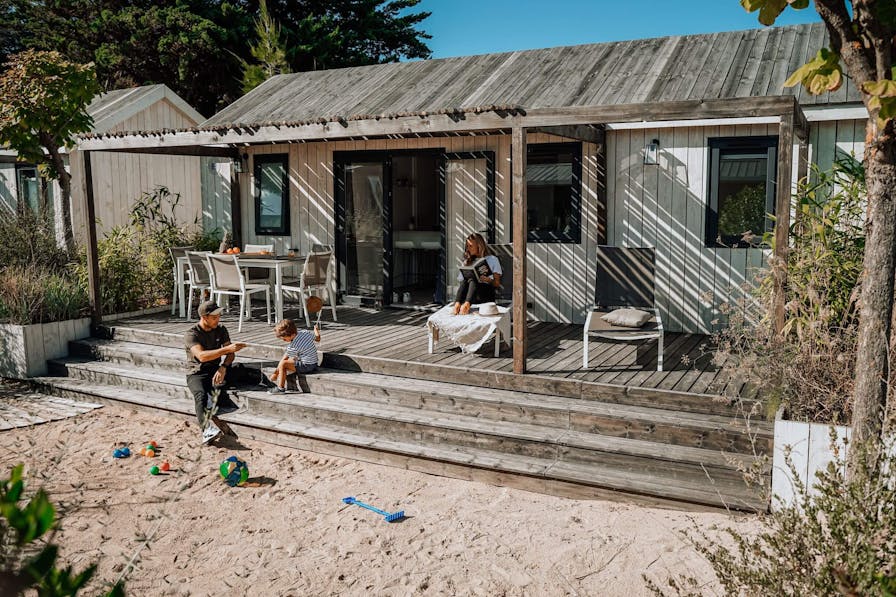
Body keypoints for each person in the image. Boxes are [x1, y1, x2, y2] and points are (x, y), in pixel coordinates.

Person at [185, 300, 247, 444]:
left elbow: (231, 354)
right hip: (196, 373)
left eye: (219, 316)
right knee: (199, 395)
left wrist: (224, 366)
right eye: (214, 317)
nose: (218, 319)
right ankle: (206, 430)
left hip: (216, 370)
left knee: (242, 370)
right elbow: (202, 356)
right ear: (204, 317)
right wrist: (227, 350)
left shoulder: (221, 329)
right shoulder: (191, 334)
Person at [451, 232, 502, 315]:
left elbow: (497, 284)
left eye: (470, 246)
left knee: (474, 279)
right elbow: (462, 282)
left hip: (485, 295)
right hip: (471, 295)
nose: (468, 249)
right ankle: (457, 304)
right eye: (467, 246)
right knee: (466, 280)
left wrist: (489, 280)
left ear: (479, 246)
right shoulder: (467, 261)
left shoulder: (493, 259)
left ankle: (466, 305)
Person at [268, 319, 321, 393]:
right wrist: (316, 330)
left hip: (307, 366)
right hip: (314, 363)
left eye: (284, 339)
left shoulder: (293, 345)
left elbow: (285, 359)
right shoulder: (305, 332)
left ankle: (280, 388)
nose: (283, 340)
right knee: (291, 360)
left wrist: (275, 373)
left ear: (292, 335)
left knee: (283, 364)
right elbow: (318, 338)